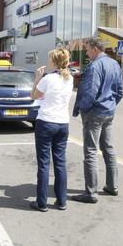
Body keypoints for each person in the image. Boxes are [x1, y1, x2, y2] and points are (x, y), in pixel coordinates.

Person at [71, 37, 123, 203]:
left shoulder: (95, 65)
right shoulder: (114, 64)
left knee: (91, 151)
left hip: (94, 113)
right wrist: (110, 104)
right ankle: (112, 186)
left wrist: (84, 109)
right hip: (108, 111)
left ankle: (91, 193)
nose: (86, 52)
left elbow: (91, 91)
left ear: (95, 48)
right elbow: (120, 91)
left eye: (87, 49)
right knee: (108, 148)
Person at [29, 48, 74, 212]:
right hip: (63, 123)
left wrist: (37, 77)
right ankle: (61, 201)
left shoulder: (47, 79)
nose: (48, 62)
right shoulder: (70, 79)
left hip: (46, 122)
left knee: (44, 163)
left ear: (54, 62)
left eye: (50, 60)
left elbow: (33, 95)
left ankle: (42, 202)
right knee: (60, 162)